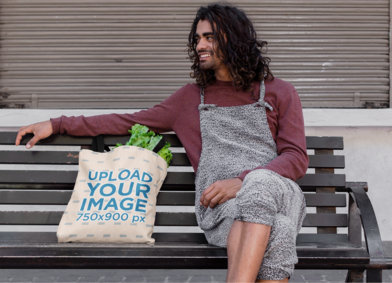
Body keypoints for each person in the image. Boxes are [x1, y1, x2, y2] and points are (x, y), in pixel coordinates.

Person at [15, 3, 307, 282]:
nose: (200, 46)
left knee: (259, 185)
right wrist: (58, 124)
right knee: (278, 230)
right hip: (222, 208)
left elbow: (295, 157)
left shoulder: (279, 92)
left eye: (209, 38)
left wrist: (242, 180)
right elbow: (127, 121)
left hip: (278, 192)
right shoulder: (190, 99)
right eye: (197, 39)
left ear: (235, 39)